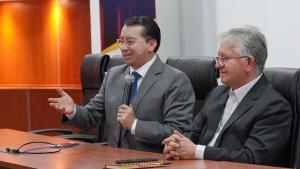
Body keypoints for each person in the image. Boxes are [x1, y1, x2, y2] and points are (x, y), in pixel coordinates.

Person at [48, 16, 195, 153]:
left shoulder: (175, 80)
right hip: (113, 160)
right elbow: (92, 116)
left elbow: (177, 132)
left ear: (151, 44)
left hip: (152, 162)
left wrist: (134, 125)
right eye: (121, 41)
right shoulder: (113, 75)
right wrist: (73, 110)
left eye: (130, 42)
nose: (123, 47)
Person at [163, 26, 292, 165]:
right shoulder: (217, 93)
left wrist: (197, 151)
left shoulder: (274, 107)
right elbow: (192, 133)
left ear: (248, 62)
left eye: (224, 58)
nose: (217, 65)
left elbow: (251, 158)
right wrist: (176, 144)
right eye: (218, 58)